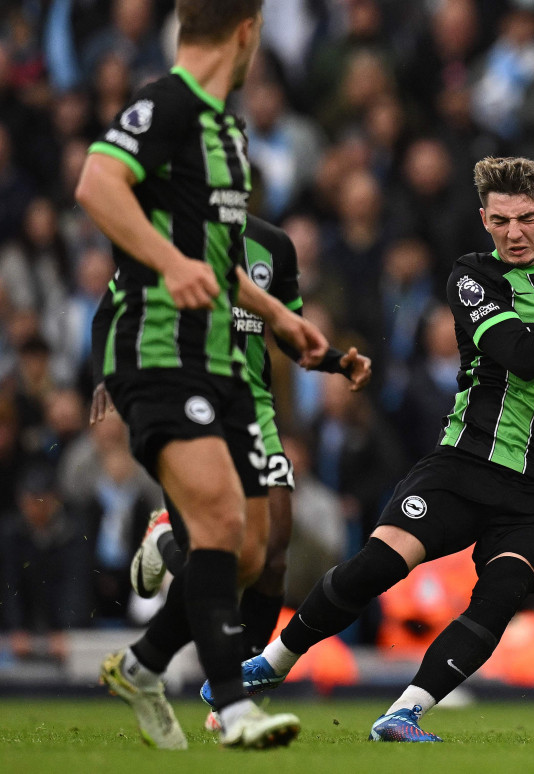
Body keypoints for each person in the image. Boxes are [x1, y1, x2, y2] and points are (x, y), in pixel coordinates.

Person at [201, 156, 534, 741]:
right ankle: (271, 664)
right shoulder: (474, 276)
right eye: (499, 221)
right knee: (378, 565)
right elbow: (519, 353)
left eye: (525, 219)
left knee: (498, 600)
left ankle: (404, 712)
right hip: (463, 464)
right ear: (483, 220)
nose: (513, 233)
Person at [74, 0, 328, 750]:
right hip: (158, 349)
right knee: (219, 525)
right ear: (248, 32)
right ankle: (234, 707)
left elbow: (220, 261)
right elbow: (96, 185)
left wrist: (278, 317)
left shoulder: (224, 129)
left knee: (249, 551)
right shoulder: (169, 102)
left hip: (223, 361)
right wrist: (169, 261)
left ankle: (145, 664)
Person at [90, 215, 372, 726]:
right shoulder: (170, 231)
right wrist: (103, 374)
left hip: (252, 402)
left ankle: (236, 690)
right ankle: (222, 696)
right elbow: (113, 305)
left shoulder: (275, 247)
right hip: (187, 396)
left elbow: (287, 331)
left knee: (273, 556)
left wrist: (333, 360)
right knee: (223, 553)